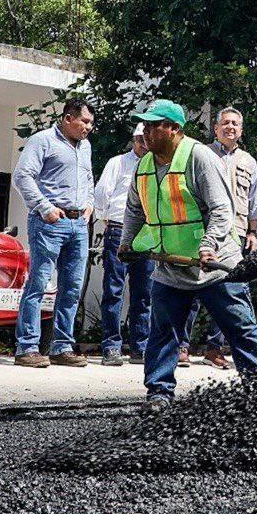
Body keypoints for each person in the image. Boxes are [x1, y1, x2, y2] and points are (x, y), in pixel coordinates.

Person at [119, 99, 257, 405]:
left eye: (153, 125)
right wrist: (127, 242)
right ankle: (159, 392)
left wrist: (209, 244)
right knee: (163, 332)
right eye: (144, 126)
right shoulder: (144, 165)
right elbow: (135, 210)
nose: (146, 132)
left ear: (174, 129)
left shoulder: (198, 157)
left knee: (239, 327)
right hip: (172, 265)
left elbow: (221, 209)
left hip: (215, 264)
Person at [178, 106, 257, 370]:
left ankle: (215, 349)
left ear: (241, 130)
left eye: (235, 124)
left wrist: (253, 232)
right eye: (225, 123)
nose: (230, 128)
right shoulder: (201, 154)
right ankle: (182, 346)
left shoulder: (249, 161)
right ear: (215, 128)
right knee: (192, 288)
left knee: (230, 292)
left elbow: (254, 201)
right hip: (202, 231)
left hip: (236, 234)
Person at [12, 99, 96, 369]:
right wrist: (45, 207)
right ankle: (27, 347)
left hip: (78, 225)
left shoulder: (86, 147)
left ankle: (62, 347)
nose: (88, 128)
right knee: (39, 283)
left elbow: (88, 180)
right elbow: (23, 176)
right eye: (84, 121)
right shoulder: (43, 140)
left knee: (72, 288)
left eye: (91, 123)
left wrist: (90, 204)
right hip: (49, 222)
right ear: (68, 118)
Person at [93, 124, 153, 366]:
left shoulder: (158, 165)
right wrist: (105, 217)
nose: (143, 143)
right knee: (114, 290)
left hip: (147, 234)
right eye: (140, 139)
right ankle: (111, 347)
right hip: (118, 229)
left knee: (144, 293)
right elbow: (101, 193)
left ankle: (141, 348)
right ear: (133, 139)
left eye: (147, 139)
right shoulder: (118, 162)